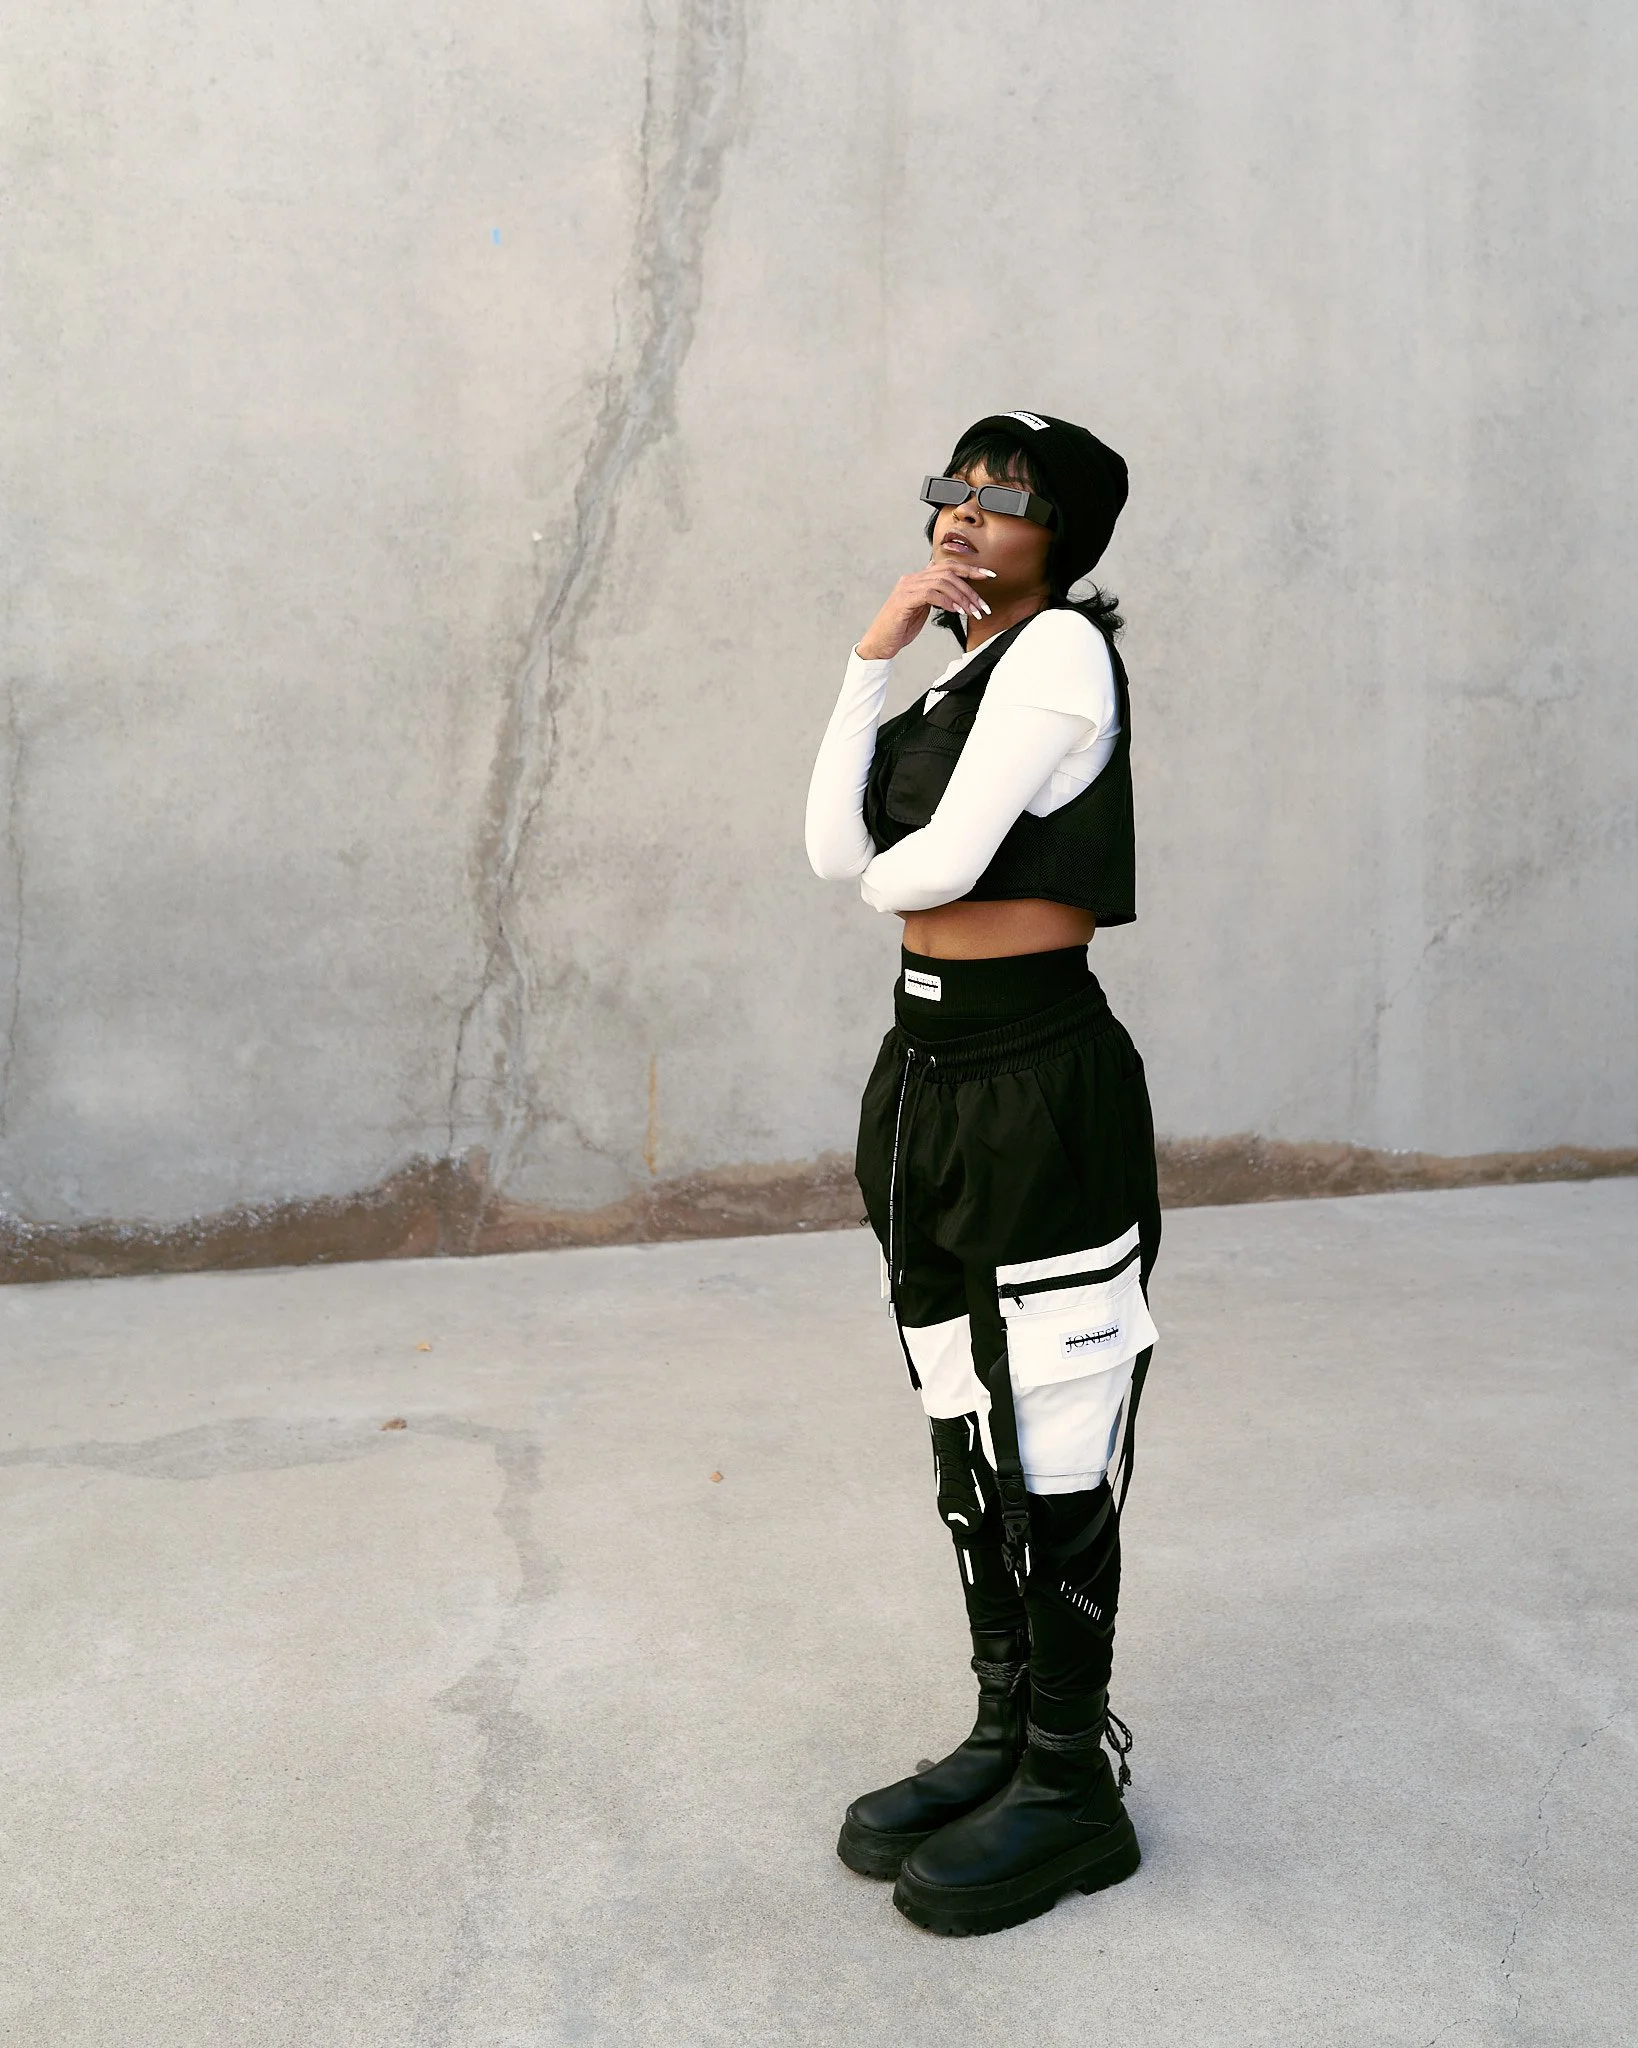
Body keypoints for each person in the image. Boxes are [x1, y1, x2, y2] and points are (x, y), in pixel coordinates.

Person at [804, 411, 1161, 1937]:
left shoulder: (1062, 655)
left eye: (1005, 497)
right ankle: (1005, 1731)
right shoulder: (950, 664)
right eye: (950, 487)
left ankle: (1074, 1789)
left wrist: (891, 871)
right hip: (925, 1074)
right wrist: (866, 658)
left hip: (1036, 1078)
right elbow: (837, 853)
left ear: (1064, 534)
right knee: (960, 1405)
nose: (962, 513)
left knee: (1056, 1419)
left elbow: (928, 870)